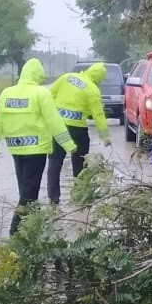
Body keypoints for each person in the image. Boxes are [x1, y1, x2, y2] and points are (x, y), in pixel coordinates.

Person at [0, 58, 77, 234]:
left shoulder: (6, 93)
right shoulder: (41, 93)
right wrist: (69, 144)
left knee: (27, 189)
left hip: (16, 149)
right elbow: (54, 121)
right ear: (38, 75)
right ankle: (15, 231)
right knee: (28, 193)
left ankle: (34, 229)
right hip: (36, 149)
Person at [46, 62, 112, 205]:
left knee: (55, 160)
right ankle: (79, 195)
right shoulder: (93, 89)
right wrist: (105, 136)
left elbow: (49, 95)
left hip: (58, 127)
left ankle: (53, 198)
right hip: (77, 129)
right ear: (99, 78)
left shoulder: (66, 77)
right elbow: (98, 115)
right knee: (80, 162)